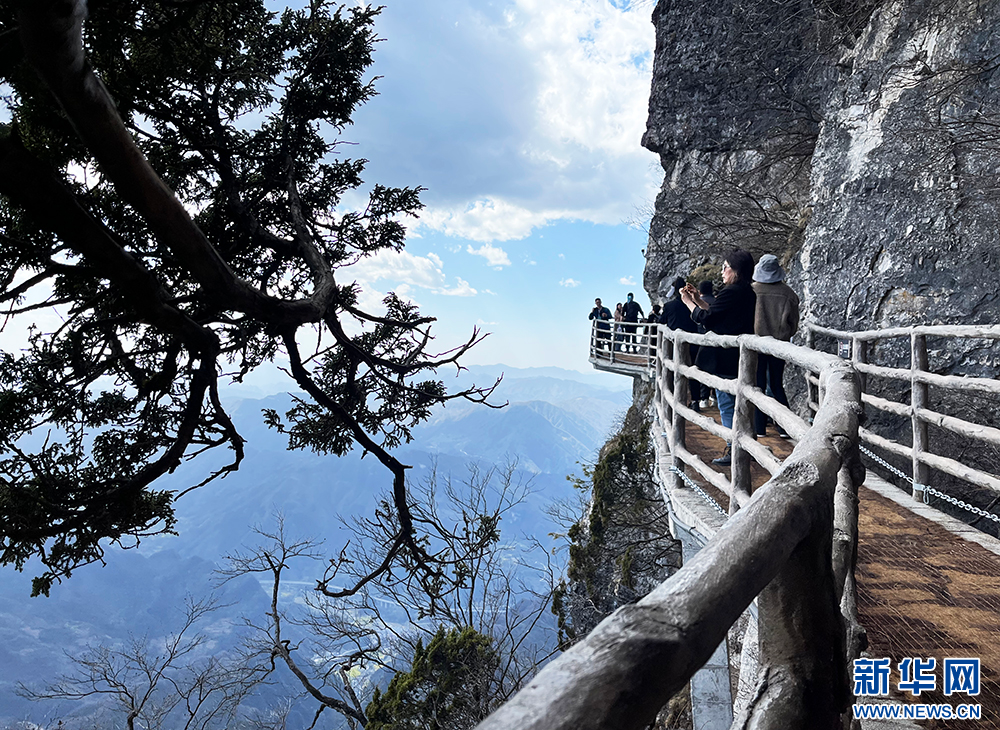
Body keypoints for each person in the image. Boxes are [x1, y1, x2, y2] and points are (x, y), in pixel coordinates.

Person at [680, 249, 756, 466]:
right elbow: (717, 314)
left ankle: (734, 449)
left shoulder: (731, 291)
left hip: (725, 358)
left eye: (725, 267)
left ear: (736, 270)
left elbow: (707, 319)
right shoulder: (747, 292)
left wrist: (688, 302)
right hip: (737, 356)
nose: (722, 272)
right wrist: (698, 300)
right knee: (737, 403)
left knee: (727, 404)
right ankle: (742, 447)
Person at [752, 254, 800, 438]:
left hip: (755, 344)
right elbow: (793, 324)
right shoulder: (788, 293)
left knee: (758, 385)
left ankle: (759, 427)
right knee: (777, 384)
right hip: (779, 344)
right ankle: (783, 427)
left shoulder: (752, 290)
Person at [660, 277, 703, 410]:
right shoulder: (692, 304)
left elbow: (662, 321)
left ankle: (677, 399)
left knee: (675, 371)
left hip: (675, 343)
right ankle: (695, 401)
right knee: (693, 371)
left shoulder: (669, 306)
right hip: (693, 340)